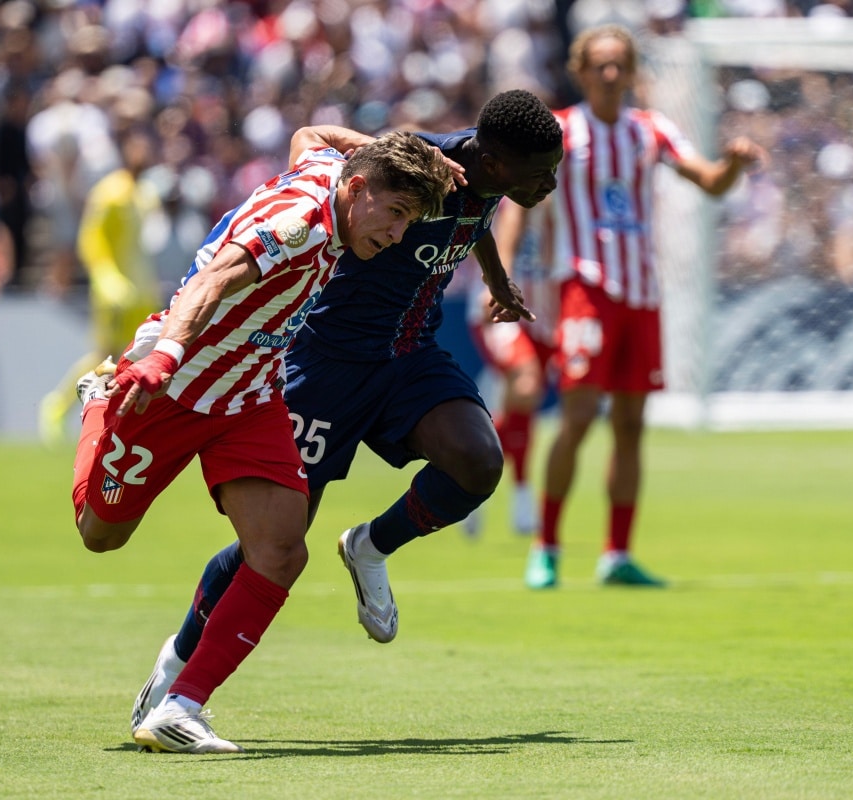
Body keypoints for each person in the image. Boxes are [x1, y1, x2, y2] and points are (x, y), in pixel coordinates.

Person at [125, 90, 564, 738]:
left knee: (477, 462)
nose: (549, 184)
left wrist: (498, 284)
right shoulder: (424, 162)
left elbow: (474, 222)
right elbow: (312, 140)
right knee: (273, 542)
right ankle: (179, 660)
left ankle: (370, 547)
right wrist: (366, 145)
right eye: (541, 173)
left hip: (409, 355)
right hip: (325, 364)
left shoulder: (491, 181)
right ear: (498, 161)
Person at [70, 130, 453, 754]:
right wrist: (166, 353)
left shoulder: (335, 171)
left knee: (281, 550)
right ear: (358, 191)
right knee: (100, 535)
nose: (398, 234)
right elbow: (214, 278)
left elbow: (312, 134)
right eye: (397, 214)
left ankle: (181, 706)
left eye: (408, 219)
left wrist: (400, 153)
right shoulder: (301, 221)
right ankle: (97, 407)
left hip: (250, 396)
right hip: (176, 388)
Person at [512, 24, 766, 589]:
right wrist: (499, 271)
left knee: (631, 425)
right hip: (583, 286)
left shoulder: (650, 130)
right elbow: (518, 205)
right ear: (580, 72)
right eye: (598, 65)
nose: (609, 74)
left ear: (631, 73)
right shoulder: (560, 131)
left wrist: (734, 164)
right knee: (578, 416)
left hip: (642, 293)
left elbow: (708, 182)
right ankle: (547, 545)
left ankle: (616, 555)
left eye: (618, 65)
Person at [39, 126, 163, 445]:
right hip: (115, 293)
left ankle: (125, 422)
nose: (143, 154)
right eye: (137, 148)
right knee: (106, 354)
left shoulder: (144, 194)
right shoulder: (110, 193)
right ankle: (58, 405)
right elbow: (91, 240)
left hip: (141, 292)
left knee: (138, 355)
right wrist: (107, 280)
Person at [461, 197, 557, 537]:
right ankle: (470, 471)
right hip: (504, 306)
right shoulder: (529, 185)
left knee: (524, 405)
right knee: (527, 382)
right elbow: (516, 215)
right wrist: (500, 284)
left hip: (548, 310)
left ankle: (503, 487)